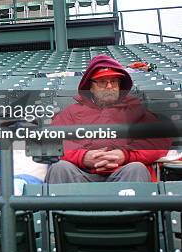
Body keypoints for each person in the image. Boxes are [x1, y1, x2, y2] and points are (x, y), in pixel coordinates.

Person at [45, 55, 171, 184]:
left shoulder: (136, 109)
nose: (110, 86)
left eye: (114, 81)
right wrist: (83, 156)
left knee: (136, 168)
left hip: (123, 171)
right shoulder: (72, 112)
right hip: (82, 172)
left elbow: (159, 141)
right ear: (90, 87)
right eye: (102, 81)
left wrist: (125, 155)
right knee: (59, 168)